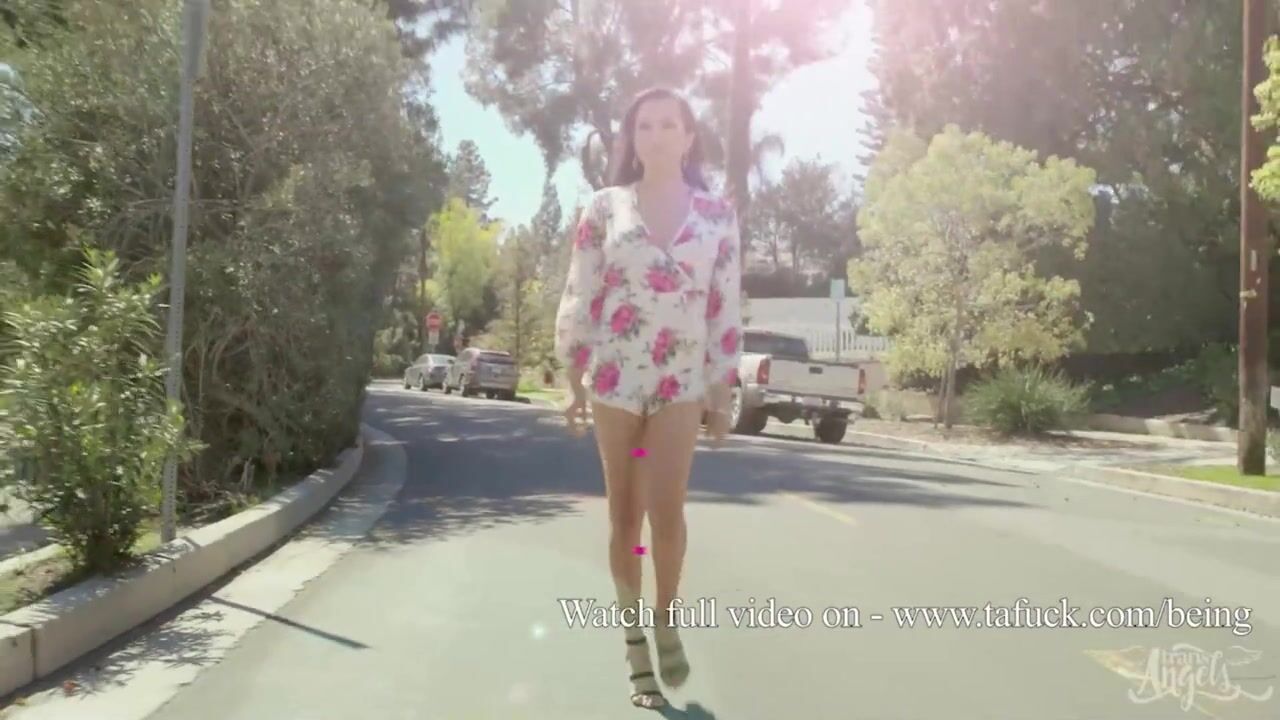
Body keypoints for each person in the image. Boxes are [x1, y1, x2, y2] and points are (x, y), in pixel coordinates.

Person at [553, 86, 743, 710]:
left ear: (688, 137)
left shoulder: (717, 215)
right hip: (615, 379)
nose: (655, 136)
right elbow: (581, 291)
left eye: (667, 125)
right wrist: (572, 376)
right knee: (624, 519)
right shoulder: (605, 207)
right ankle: (635, 646)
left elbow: (724, 305)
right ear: (631, 140)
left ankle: (665, 617)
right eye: (644, 126)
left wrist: (720, 389)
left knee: (666, 512)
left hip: (679, 382)